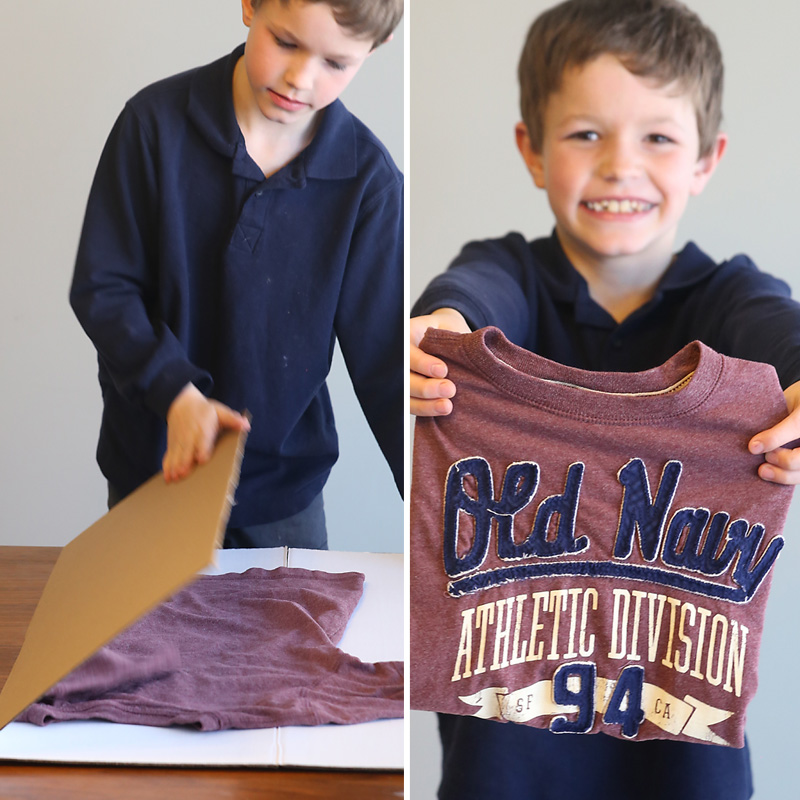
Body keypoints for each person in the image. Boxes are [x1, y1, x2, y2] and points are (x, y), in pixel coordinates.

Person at [410, 0, 800, 797]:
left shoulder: (730, 298)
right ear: (532, 148)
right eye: (586, 133)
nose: (621, 164)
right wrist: (439, 331)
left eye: (658, 136)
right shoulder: (509, 277)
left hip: (684, 756)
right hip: (506, 756)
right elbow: (472, 297)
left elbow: (776, 325)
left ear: (706, 158)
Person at [70, 0, 404, 550]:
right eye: (287, 43)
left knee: (290, 638)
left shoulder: (369, 181)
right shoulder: (152, 124)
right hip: (155, 474)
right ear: (250, 6)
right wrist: (177, 394)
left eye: (336, 64)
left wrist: (436, 517)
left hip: (284, 493)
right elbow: (104, 288)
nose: (301, 78)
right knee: (152, 637)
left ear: (374, 50)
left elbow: (385, 368)